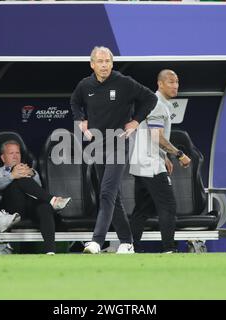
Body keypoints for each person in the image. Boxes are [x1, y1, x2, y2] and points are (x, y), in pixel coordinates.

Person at [70, 46, 158, 254]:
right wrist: (79, 120)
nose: (104, 65)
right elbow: (74, 102)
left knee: (107, 192)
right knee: (112, 196)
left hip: (119, 143)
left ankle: (96, 241)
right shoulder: (85, 85)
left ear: (112, 63)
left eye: (107, 61)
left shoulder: (124, 82)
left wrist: (136, 121)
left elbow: (150, 99)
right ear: (92, 64)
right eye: (100, 61)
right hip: (97, 144)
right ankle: (127, 243)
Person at [129, 69, 191, 253]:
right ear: (160, 84)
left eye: (177, 82)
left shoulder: (160, 104)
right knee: (168, 206)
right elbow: (156, 136)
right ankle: (169, 249)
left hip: (143, 163)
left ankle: (130, 246)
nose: (175, 86)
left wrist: (164, 157)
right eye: (171, 82)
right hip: (150, 164)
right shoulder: (156, 104)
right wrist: (179, 154)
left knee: (142, 208)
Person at [0, 140, 71, 254]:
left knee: (44, 206)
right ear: (3, 157)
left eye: (18, 153)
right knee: (18, 179)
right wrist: (12, 175)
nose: (15, 156)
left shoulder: (30, 171)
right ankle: (53, 200)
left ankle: (50, 251)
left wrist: (32, 174)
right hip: (9, 210)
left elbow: (38, 190)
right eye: (11, 153)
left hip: (28, 207)